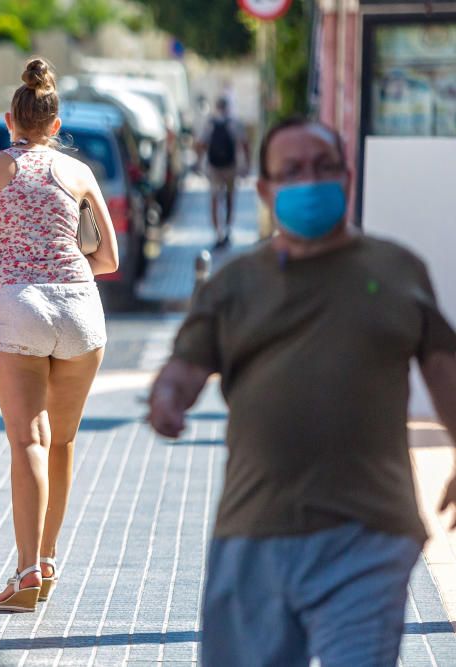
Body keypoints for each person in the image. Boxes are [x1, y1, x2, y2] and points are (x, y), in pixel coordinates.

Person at [149, 118, 456, 666]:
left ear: (348, 177)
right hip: (253, 534)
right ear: (264, 190)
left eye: (324, 168)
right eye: (291, 171)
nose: (310, 181)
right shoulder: (234, 284)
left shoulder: (396, 270)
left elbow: (444, 369)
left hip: (369, 533)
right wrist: (168, 399)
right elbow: (185, 367)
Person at [0, 58, 119, 613]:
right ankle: (48, 560)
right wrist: (59, 262)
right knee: (63, 441)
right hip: (80, 307)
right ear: (55, 123)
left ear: (9, 120)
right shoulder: (79, 173)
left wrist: (8, 259)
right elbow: (108, 257)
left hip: (17, 304)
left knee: (28, 439)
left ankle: (25, 572)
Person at [197, 97, 250, 249]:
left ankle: (217, 233)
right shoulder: (235, 123)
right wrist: (246, 165)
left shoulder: (209, 123)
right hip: (230, 166)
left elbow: (200, 144)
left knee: (214, 199)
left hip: (214, 168)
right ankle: (227, 230)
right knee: (230, 198)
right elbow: (244, 143)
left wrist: (199, 162)